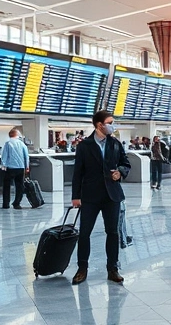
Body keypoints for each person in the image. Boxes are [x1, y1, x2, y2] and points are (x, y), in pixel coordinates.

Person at [71, 110, 130, 285]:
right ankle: (82, 268)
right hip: (90, 195)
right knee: (85, 233)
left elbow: (125, 163)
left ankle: (112, 268)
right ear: (99, 125)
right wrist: (76, 196)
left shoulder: (115, 143)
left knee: (112, 232)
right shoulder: (84, 145)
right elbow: (78, 173)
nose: (113, 125)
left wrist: (120, 172)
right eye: (110, 122)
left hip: (112, 195)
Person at [0, 128, 30, 210]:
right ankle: (17, 203)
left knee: (7, 186)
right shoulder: (22, 144)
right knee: (19, 186)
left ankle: (6, 204)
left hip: (10, 168)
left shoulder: (8, 143)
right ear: (16, 134)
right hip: (21, 167)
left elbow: (5, 155)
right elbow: (26, 156)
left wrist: (3, 165)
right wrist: (27, 166)